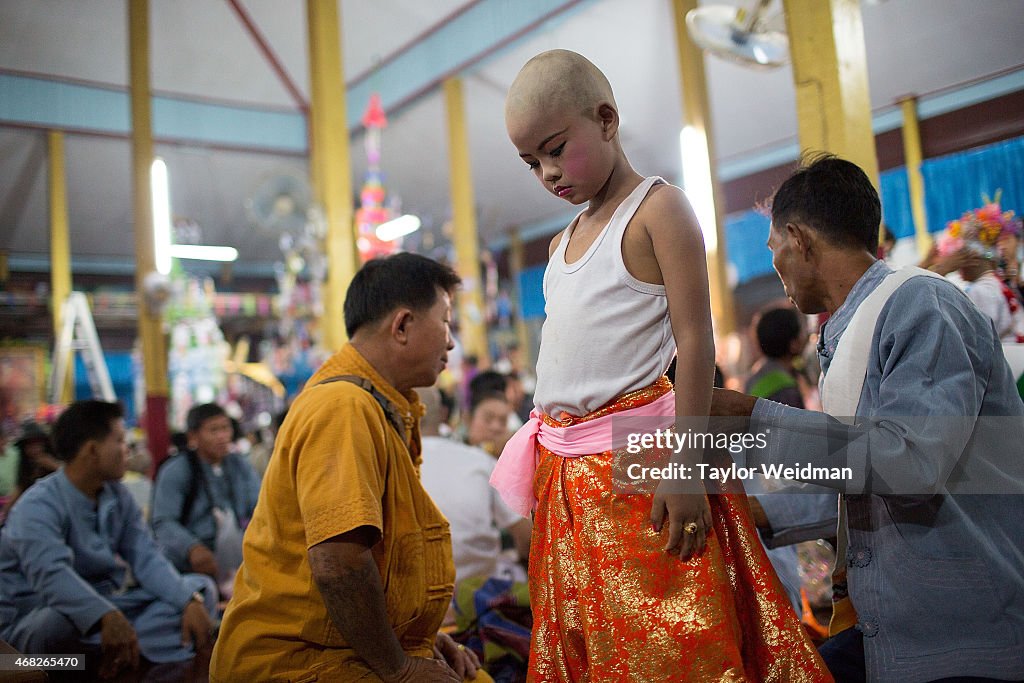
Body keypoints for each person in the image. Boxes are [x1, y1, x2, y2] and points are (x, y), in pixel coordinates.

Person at [496, 49, 827, 680]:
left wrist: (686, 467)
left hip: (642, 467)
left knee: (670, 646)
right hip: (566, 481)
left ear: (607, 120)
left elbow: (695, 342)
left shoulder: (659, 209)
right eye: (531, 161)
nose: (547, 172)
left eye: (557, 148)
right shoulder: (559, 243)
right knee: (593, 647)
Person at [712, 154, 1024, 682]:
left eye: (773, 250)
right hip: (892, 626)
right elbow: (856, 469)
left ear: (798, 239)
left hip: (958, 630)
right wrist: (739, 512)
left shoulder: (920, 305)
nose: (775, 268)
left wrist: (753, 417)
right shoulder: (847, 330)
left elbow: (911, 461)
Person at [211, 253, 484, 682]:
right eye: (446, 322)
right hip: (301, 663)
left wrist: (422, 639)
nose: (451, 342)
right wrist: (399, 668)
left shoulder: (381, 406)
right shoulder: (344, 406)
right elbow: (338, 564)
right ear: (402, 326)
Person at [0, 400, 215, 678]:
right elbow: (51, 576)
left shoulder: (117, 495)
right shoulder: (38, 505)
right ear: (91, 450)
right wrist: (104, 616)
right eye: (120, 441)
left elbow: (146, 557)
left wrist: (188, 600)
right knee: (56, 625)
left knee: (200, 588)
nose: (127, 450)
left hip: (106, 607)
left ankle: (113, 651)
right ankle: (110, 651)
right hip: (37, 620)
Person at [419, 386, 530, 585]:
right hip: (478, 595)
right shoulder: (480, 461)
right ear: (467, 419)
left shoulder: (387, 464)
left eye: (503, 421)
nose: (496, 428)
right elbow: (527, 536)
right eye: (488, 419)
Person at [151, 402, 260, 594]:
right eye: (213, 430)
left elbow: (259, 509)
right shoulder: (177, 470)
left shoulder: (240, 466)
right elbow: (163, 522)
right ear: (193, 436)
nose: (222, 436)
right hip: (191, 566)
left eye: (225, 428)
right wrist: (191, 548)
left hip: (241, 560)